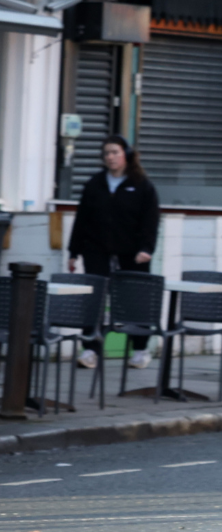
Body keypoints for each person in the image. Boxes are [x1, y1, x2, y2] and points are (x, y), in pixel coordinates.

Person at [67, 135, 160, 371]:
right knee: (94, 299)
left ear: (126, 154)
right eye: (106, 153)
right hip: (97, 250)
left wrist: (146, 249)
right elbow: (82, 220)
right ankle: (90, 349)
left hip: (132, 253)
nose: (110, 157)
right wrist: (74, 252)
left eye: (115, 152)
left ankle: (140, 349)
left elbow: (150, 221)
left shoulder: (141, 185)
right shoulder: (95, 184)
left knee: (134, 300)